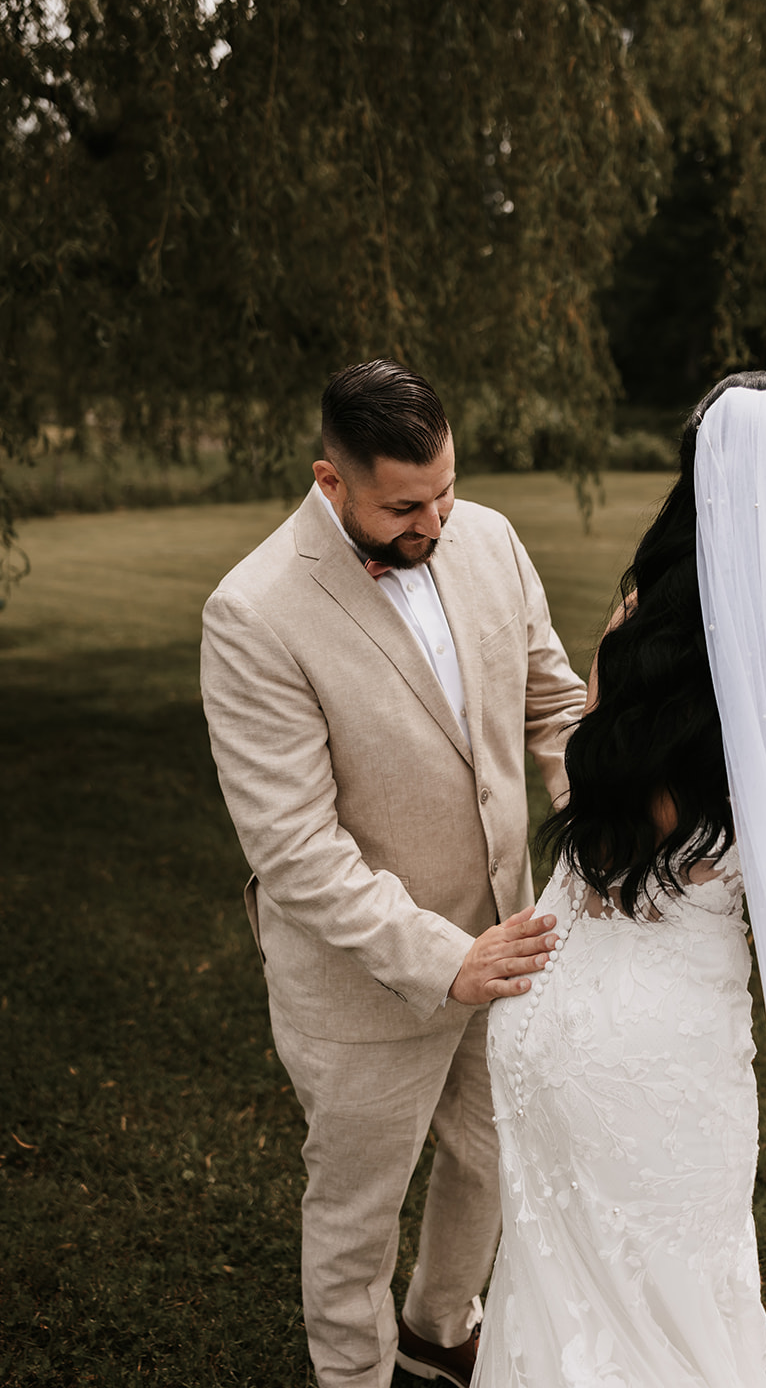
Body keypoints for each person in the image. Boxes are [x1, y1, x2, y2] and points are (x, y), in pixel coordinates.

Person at [473, 372, 766, 1388]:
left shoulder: (629, 624)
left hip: (545, 1018)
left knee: (562, 1301)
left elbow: (585, 800)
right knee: (679, 1321)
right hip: (662, 1054)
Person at [200, 360, 586, 1388]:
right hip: (363, 977)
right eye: (405, 504)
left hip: (507, 935)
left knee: (487, 1152)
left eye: (445, 489)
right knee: (356, 1205)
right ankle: (354, 1371)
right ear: (331, 482)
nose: (434, 521)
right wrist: (445, 958)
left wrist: (602, 814)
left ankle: (436, 1325)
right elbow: (293, 847)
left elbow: (552, 705)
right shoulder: (253, 612)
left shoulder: (490, 538)